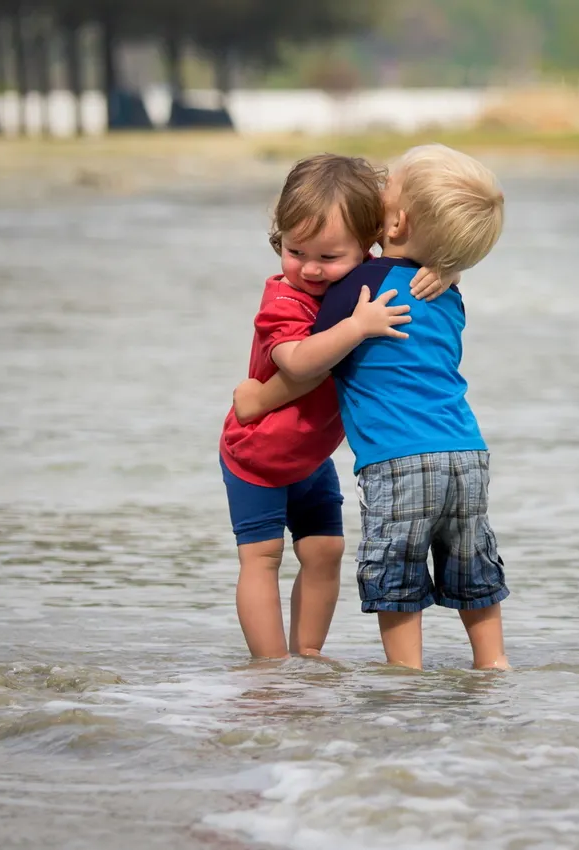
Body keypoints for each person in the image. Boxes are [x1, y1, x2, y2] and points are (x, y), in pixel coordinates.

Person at [235, 145, 509, 670]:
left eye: (389, 187)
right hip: (468, 451)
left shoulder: (360, 288)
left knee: (398, 572)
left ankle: (407, 674)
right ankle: (493, 662)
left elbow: (310, 363)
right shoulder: (447, 289)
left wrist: (259, 398)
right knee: (471, 565)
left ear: (397, 219)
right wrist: (450, 267)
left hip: (399, 459)